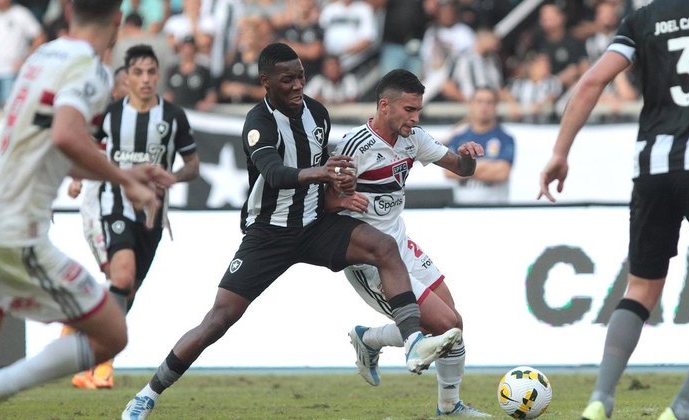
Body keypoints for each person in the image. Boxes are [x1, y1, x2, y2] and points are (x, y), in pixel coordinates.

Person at [121, 43, 463, 420]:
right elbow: (274, 174)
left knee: (384, 247)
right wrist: (322, 174)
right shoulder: (258, 123)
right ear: (266, 82)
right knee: (218, 319)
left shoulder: (317, 114)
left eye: (301, 76)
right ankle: (148, 394)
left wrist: (340, 194)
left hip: (315, 224)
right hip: (270, 233)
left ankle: (413, 341)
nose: (299, 85)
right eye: (288, 79)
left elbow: (327, 171)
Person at [538, 1, 689, 419]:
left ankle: (599, 400)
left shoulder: (642, 19)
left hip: (652, 166)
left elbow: (591, 83)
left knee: (639, 290)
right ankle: (683, 409)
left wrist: (559, 153)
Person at [0, 0, 174, 416]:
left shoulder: (43, 54)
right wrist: (128, 182)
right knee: (111, 333)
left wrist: (124, 171)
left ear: (69, 10)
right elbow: (66, 136)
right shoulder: (90, 69)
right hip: (15, 229)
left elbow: (55, 148)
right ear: (118, 21)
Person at [327, 69, 489, 417]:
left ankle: (370, 338)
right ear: (384, 106)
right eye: (409, 110)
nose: (415, 118)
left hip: (401, 245)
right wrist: (341, 201)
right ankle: (449, 407)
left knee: (453, 325)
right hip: (369, 259)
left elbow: (461, 168)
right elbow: (322, 201)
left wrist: (469, 156)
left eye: (418, 110)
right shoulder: (355, 146)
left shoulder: (413, 139)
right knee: (444, 326)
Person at [95, 44, 201, 389]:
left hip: (154, 215)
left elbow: (193, 164)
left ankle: (99, 342)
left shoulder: (172, 117)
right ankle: (99, 354)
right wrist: (79, 183)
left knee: (131, 288)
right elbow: (89, 153)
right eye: (138, 73)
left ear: (158, 75)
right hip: (116, 203)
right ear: (125, 77)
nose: (145, 79)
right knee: (122, 276)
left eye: (151, 72)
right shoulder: (110, 115)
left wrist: (175, 177)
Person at [63, 65, 130, 390]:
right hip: (97, 210)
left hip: (125, 212)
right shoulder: (104, 118)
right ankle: (92, 363)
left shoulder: (140, 121)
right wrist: (76, 180)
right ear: (117, 88)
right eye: (127, 83)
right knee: (117, 283)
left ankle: (81, 345)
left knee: (121, 287)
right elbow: (84, 149)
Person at [445, 87, 514, 205]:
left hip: (495, 210)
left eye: (489, 102)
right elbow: (449, 172)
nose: (484, 107)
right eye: (479, 101)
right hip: (461, 211)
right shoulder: (458, 138)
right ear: (471, 105)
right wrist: (487, 166)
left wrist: (464, 168)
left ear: (496, 106)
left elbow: (502, 173)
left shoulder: (505, 139)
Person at [0, 0, 46, 109]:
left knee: (9, 110)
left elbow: (39, 37)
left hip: (11, 72)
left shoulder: (21, 14)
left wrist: (25, 59)